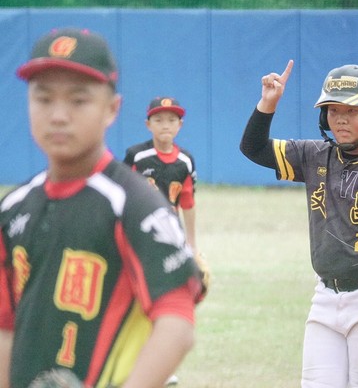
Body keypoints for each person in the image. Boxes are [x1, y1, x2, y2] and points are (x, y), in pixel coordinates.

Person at [0, 28, 206, 388]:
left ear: (112, 109)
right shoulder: (13, 209)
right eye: (43, 99)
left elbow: (177, 324)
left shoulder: (134, 205)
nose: (58, 115)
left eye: (78, 100)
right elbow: (5, 328)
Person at [240, 60, 358, 387]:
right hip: (325, 299)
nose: (340, 118)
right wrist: (268, 104)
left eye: (352, 110)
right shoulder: (314, 156)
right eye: (332, 110)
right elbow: (253, 148)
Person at [123, 97, 198, 254]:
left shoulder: (185, 161)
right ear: (148, 124)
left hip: (170, 231)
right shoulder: (136, 156)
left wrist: (191, 243)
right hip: (138, 230)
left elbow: (187, 202)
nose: (165, 126)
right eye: (158, 120)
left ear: (180, 125)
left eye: (172, 120)